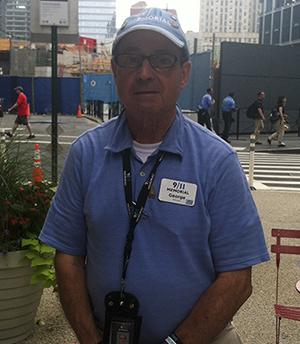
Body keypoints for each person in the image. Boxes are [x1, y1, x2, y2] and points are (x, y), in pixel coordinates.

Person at [39, 8, 269, 344]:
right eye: (131, 59)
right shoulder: (86, 154)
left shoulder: (217, 161)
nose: (144, 72)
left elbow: (237, 276)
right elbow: (68, 256)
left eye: (162, 59)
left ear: (184, 73)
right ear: (115, 70)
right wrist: (89, 338)